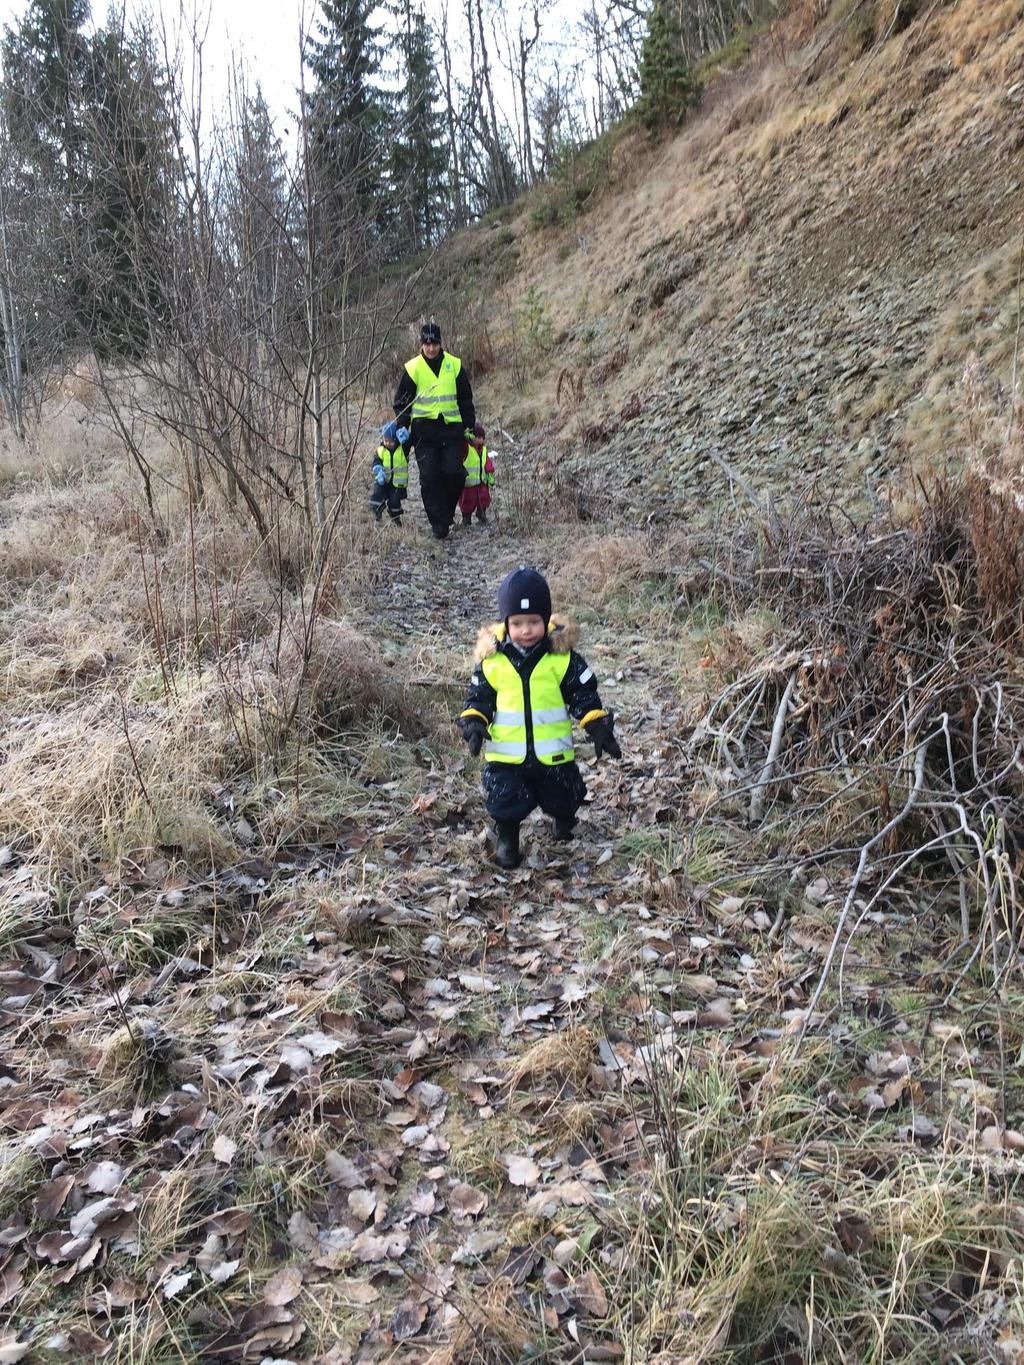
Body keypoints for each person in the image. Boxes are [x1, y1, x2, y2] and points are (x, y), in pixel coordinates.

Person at [457, 567, 622, 869]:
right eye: (518, 623)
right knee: (505, 799)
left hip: (553, 753)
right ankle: (508, 840)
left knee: (563, 795)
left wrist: (597, 725)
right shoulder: (492, 662)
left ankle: (563, 820)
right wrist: (474, 722)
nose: (526, 630)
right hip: (507, 755)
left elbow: (583, 693)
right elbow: (478, 696)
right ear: (506, 623)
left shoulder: (562, 658)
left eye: (534, 622)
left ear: (546, 620)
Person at [394, 322, 475, 540]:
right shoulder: (413, 368)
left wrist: (469, 425)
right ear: (422, 344)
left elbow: (465, 399)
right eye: (427, 344)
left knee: (455, 474)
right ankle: (438, 524)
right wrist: (403, 425)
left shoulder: (455, 366)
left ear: (440, 343)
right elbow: (402, 403)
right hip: (424, 433)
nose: (431, 348)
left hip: (451, 430)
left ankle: (446, 514)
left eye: (435, 343)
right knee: (429, 478)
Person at [370, 421, 411, 525]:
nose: (387, 443)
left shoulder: (403, 449)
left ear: (396, 439)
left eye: (390, 441)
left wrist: (407, 437)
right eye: (385, 440)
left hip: (397, 484)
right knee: (377, 495)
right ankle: (377, 515)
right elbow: (376, 461)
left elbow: (409, 442)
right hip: (383, 480)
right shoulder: (381, 450)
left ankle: (396, 519)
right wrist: (378, 470)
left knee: (394, 502)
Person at [458, 424, 495, 528]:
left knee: (484, 499)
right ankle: (466, 518)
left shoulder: (483, 450)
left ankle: (481, 513)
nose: (481, 441)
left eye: (483, 438)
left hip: (482, 482)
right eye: (478, 438)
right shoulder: (467, 448)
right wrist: (465, 436)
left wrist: (490, 474)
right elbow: (461, 443)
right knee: (467, 502)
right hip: (468, 484)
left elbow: (487, 462)